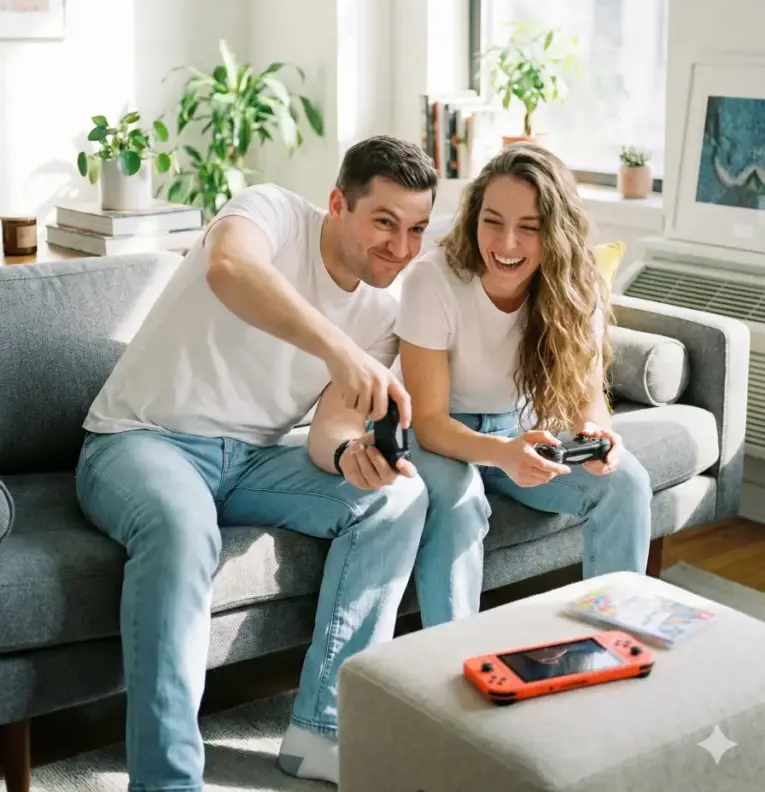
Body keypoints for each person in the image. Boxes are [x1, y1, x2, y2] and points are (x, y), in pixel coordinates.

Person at [75, 135, 439, 791]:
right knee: (183, 528)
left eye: (416, 228)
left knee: (397, 499)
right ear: (336, 204)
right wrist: (337, 347)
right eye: (384, 221)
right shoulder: (269, 211)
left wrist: (350, 455)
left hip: (249, 462)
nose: (401, 247)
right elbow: (230, 270)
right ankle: (166, 782)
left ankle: (321, 733)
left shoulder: (384, 310)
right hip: (141, 440)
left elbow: (329, 424)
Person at [394, 143, 653, 629]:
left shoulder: (578, 286)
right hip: (437, 435)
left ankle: (616, 640)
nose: (506, 243)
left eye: (529, 228)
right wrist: (502, 453)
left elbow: (585, 396)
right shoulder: (432, 280)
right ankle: (450, 661)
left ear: (554, 233)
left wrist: (598, 434)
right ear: (474, 218)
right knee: (458, 499)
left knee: (626, 483)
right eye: (493, 221)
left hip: (522, 430)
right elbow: (428, 424)